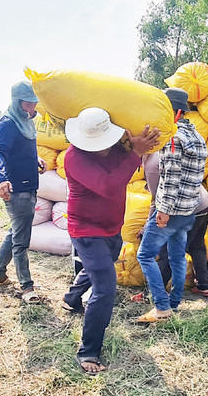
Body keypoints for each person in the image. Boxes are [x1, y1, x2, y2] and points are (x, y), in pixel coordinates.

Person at [60, 107, 160, 375]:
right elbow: (108, 184)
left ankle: (71, 298)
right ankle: (88, 350)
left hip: (112, 227)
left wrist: (134, 148)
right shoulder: (74, 157)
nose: (102, 148)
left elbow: (125, 166)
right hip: (85, 230)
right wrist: (135, 153)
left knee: (98, 269)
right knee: (105, 286)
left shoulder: (117, 149)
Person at [136, 88, 208, 323]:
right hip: (190, 211)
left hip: (172, 209)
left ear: (173, 112)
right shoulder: (197, 137)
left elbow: (172, 177)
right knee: (177, 257)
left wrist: (163, 211)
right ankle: (175, 302)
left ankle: (161, 306)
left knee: (145, 255)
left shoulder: (173, 138)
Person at [0, 81, 46, 304]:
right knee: (22, 241)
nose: (32, 109)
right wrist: (2, 179)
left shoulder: (26, 122)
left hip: (30, 184)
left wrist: (36, 159)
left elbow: (22, 150)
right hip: (17, 188)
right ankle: (26, 286)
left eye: (34, 104)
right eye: (27, 104)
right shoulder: (8, 124)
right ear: (16, 102)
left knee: (17, 231)